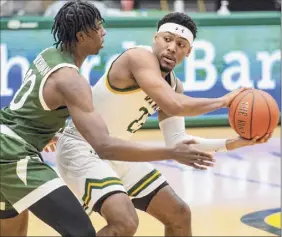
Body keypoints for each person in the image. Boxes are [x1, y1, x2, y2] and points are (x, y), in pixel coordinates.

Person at [0, 3, 215, 236]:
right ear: (82, 36)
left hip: (9, 140)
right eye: (98, 27)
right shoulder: (73, 80)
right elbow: (104, 146)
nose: (104, 32)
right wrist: (172, 151)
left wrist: (48, 131)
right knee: (82, 231)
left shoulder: (49, 56)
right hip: (14, 155)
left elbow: (32, 104)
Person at [53, 12, 271, 236]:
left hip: (117, 153)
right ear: (155, 38)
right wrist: (224, 101)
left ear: (188, 51)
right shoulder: (137, 57)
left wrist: (234, 143)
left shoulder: (174, 86)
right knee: (125, 222)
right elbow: (175, 105)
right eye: (167, 39)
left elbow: (178, 142)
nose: (172, 48)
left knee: (179, 213)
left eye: (180, 44)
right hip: (81, 148)